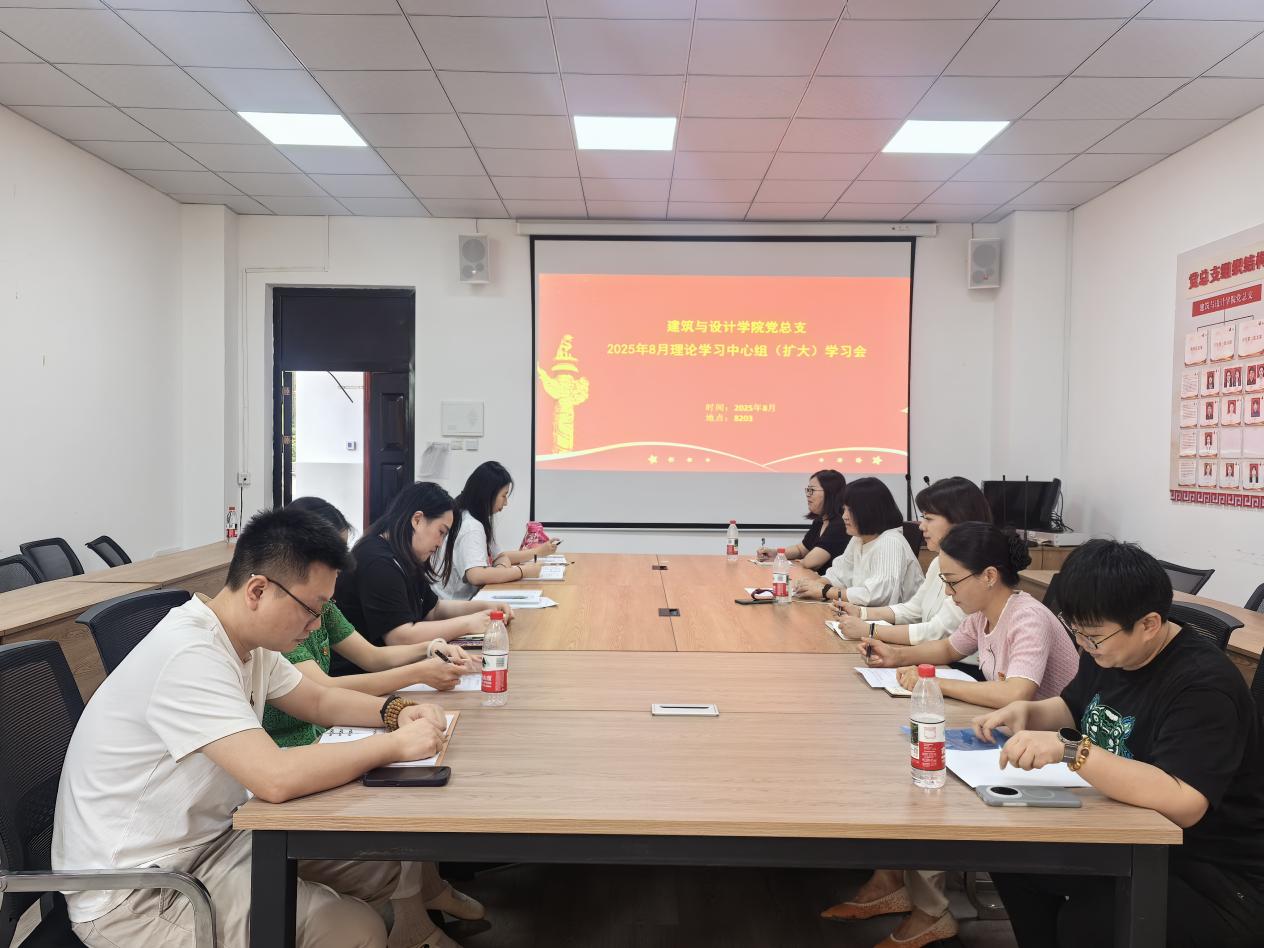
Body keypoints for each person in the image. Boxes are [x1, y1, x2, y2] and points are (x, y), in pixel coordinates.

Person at [52, 506, 457, 948]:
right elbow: (274, 777)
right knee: (355, 931)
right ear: (258, 590)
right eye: (311, 609)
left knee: (380, 864)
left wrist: (395, 711)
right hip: (138, 892)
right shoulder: (189, 655)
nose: (316, 626)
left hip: (216, 842)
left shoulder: (249, 643)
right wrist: (396, 746)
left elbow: (318, 700)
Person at [975, 540, 1264, 948]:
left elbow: (1183, 801)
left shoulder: (1204, 687)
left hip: (1213, 875)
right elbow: (1076, 708)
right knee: (1013, 856)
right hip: (1132, 836)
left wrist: (1073, 751)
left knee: (1089, 922)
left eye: (1093, 637)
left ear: (1149, 624)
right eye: (1076, 631)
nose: (1083, 645)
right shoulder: (1112, 652)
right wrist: (1027, 713)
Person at [821, 521, 1080, 947]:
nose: (947, 591)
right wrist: (896, 656)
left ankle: (930, 912)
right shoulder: (982, 612)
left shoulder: (1027, 616)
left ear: (989, 576)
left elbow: (1015, 693)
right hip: (1007, 737)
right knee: (906, 760)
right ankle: (894, 881)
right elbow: (947, 649)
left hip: (1047, 752)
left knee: (928, 787)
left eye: (952, 580)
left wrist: (935, 682)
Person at [264, 498, 484, 943]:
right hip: (301, 751)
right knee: (400, 799)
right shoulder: (284, 620)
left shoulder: (319, 606)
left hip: (324, 735)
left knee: (416, 772)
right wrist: (416, 678)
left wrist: (428, 652)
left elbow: (369, 659)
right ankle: (412, 924)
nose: (340, 575)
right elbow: (322, 693)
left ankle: (427, 891)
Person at [331, 481, 506, 677]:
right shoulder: (377, 561)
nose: (440, 543)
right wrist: (468, 623)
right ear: (417, 520)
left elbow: (434, 609)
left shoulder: (402, 555)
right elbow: (400, 637)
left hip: (389, 671)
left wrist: (486, 607)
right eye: (441, 532)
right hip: (361, 677)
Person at [831, 476, 990, 651]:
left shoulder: (976, 570)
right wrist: (862, 612)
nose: (921, 526)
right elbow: (915, 609)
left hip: (952, 661)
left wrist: (871, 630)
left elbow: (937, 631)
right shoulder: (938, 561)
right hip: (929, 653)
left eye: (929, 518)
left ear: (958, 520)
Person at [432, 461, 561, 600]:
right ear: (488, 494)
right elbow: (476, 575)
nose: (506, 503)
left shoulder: (476, 519)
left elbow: (500, 556)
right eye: (504, 495)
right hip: (454, 603)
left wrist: (538, 552)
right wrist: (522, 571)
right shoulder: (471, 526)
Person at [793, 477, 922, 605]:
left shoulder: (890, 542)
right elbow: (840, 573)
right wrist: (813, 585)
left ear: (869, 511)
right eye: (844, 509)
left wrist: (824, 591)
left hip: (892, 617)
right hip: (865, 613)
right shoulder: (859, 538)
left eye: (850, 510)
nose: (844, 516)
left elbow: (876, 595)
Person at [755, 470, 848, 574]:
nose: (808, 494)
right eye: (807, 490)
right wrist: (776, 553)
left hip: (828, 583)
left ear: (830, 493)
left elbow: (811, 562)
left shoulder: (840, 524)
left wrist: (803, 561)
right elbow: (801, 549)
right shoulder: (820, 520)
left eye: (812, 490)